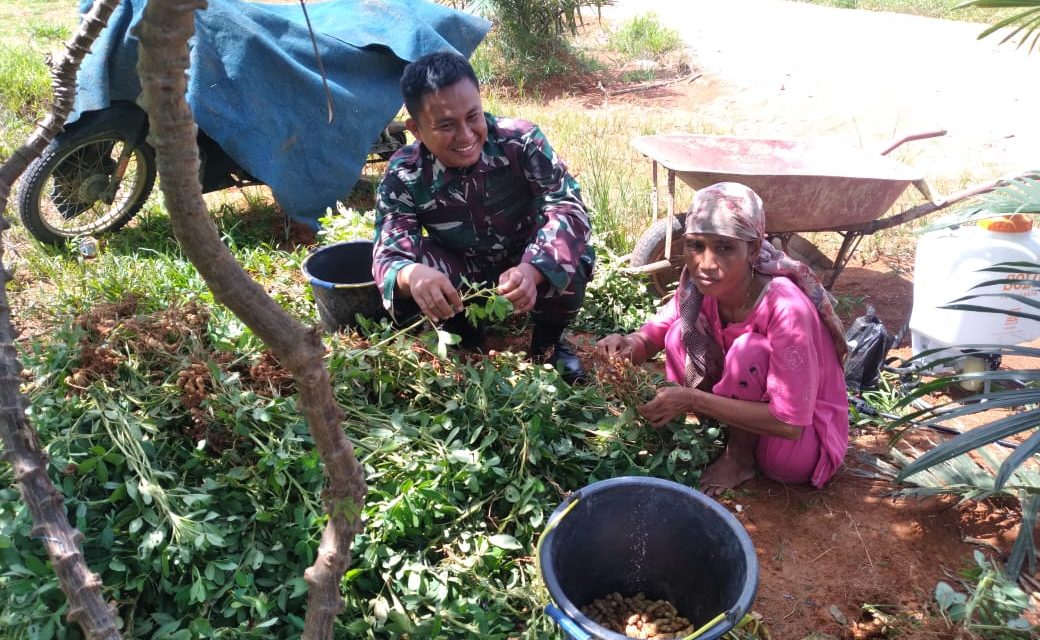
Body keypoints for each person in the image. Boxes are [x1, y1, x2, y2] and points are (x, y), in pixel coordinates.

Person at [598, 183, 849, 493]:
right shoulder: (698, 286)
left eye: (724, 247)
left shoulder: (785, 307)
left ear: (754, 249)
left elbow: (789, 423)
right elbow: (655, 333)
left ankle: (740, 457)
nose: (705, 263)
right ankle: (716, 434)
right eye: (695, 245)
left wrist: (692, 398)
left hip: (796, 442)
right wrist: (627, 345)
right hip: (743, 408)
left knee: (748, 352)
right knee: (678, 334)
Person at [372, 51, 594, 383]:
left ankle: (548, 346)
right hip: (462, 267)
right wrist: (411, 275)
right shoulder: (405, 172)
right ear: (416, 130)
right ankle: (465, 338)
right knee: (411, 274)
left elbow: (568, 208)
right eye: (446, 125)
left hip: (524, 258)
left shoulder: (521, 141)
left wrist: (534, 269)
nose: (465, 135)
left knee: (572, 256)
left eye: (472, 116)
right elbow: (388, 252)